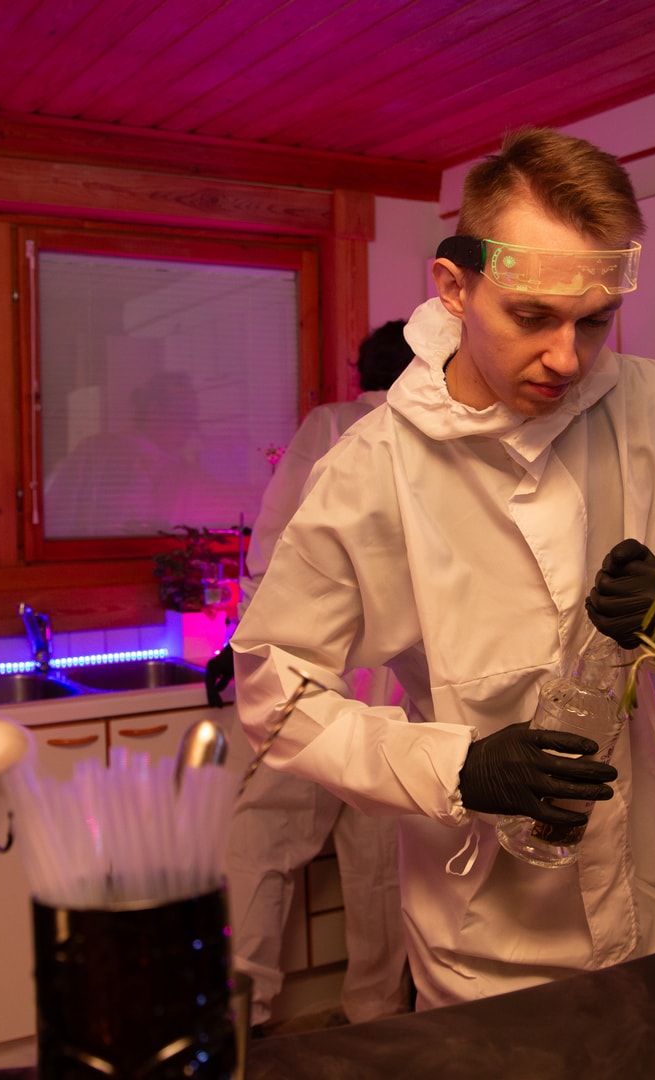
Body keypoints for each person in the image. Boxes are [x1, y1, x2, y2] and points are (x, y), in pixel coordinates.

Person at [228, 127, 655, 1009]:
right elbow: (276, 695)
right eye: (532, 317)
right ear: (455, 287)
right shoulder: (373, 471)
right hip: (486, 947)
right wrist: (459, 768)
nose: (568, 357)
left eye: (595, 320)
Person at [219, 320, 416, 1032]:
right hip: (391, 683)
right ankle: (375, 1018)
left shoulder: (327, 426)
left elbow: (270, 551)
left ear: (360, 371)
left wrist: (247, 649)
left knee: (259, 844)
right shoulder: (429, 433)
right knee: (379, 862)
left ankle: (242, 1014)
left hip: (302, 675)